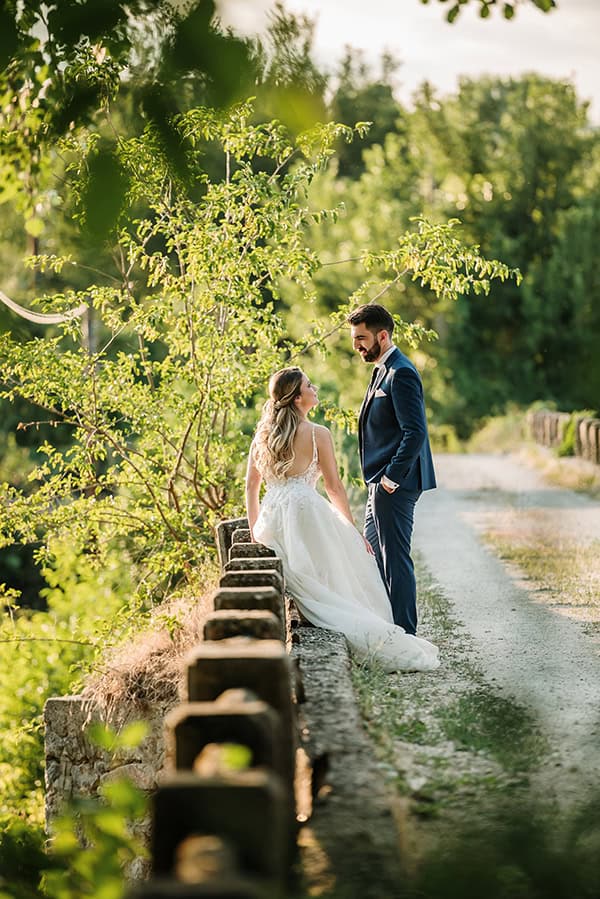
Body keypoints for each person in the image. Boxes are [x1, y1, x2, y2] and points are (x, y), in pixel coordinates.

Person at [245, 366, 439, 672]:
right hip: (306, 510)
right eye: (309, 386)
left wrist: (254, 530)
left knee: (314, 574)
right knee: (341, 567)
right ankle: (375, 631)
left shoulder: (264, 435)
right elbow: (334, 488)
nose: (315, 389)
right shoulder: (318, 434)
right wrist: (351, 531)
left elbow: (251, 487)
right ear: (297, 398)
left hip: (274, 518)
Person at [347, 303, 436, 635]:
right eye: (355, 338)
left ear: (382, 336)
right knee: (372, 558)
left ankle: (406, 635)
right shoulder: (380, 369)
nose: (357, 346)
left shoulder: (402, 372)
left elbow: (416, 432)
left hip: (393, 485)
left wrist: (390, 479)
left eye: (362, 338)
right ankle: (386, 629)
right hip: (378, 483)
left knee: (395, 560)